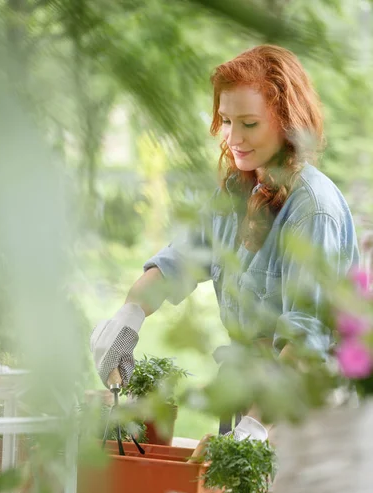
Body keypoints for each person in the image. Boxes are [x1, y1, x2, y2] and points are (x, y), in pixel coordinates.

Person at [90, 45, 359, 430]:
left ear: (288, 123)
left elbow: (305, 341)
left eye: (249, 124)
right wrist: (127, 316)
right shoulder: (240, 189)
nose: (233, 137)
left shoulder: (313, 209)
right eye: (226, 121)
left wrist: (254, 429)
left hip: (303, 416)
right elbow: (181, 259)